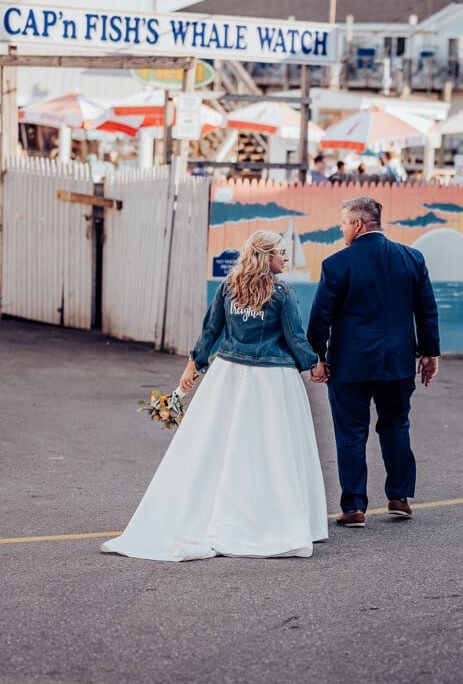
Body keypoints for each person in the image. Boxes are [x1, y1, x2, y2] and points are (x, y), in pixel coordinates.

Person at [102, 230, 329, 562]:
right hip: (272, 381)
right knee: (272, 449)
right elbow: (296, 338)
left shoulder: (229, 287)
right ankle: (272, 515)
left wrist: (191, 369)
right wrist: (315, 365)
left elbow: (210, 330)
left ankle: (217, 511)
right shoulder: (282, 293)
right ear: (266, 256)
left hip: (227, 375)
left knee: (220, 445)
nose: (286, 257)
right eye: (281, 252)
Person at [307, 196, 440, 528]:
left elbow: (321, 316)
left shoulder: (337, 264)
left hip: (350, 365)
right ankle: (399, 497)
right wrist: (429, 352)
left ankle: (354, 508)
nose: (341, 229)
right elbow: (426, 310)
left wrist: (317, 358)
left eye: (342, 223)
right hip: (396, 363)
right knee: (396, 426)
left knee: (351, 433)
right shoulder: (412, 258)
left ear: (357, 224)